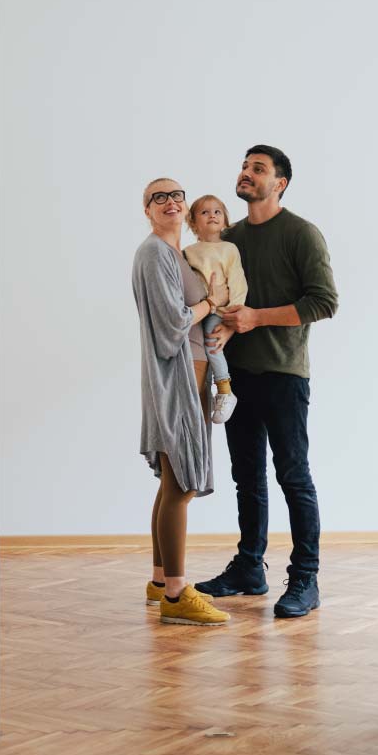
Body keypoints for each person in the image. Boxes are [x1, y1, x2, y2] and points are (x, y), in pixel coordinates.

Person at [195, 145, 339, 619]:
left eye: (258, 169)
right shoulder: (229, 238)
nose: (246, 173)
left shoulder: (301, 234)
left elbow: (323, 302)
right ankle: (249, 569)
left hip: (283, 375)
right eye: (243, 166)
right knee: (247, 479)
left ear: (280, 183)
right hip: (236, 379)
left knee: (293, 477)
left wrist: (257, 318)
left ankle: (305, 579)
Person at [132, 177, 231, 626]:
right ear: (146, 209)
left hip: (190, 381)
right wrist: (212, 302)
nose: (170, 202)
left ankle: (158, 582)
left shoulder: (177, 255)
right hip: (176, 382)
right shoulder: (154, 253)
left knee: (172, 484)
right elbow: (172, 325)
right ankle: (176, 594)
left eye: (176, 195)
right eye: (159, 197)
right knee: (181, 486)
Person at [182, 194, 248, 424]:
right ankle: (207, 388)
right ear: (192, 222)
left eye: (217, 211)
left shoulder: (229, 249)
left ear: (225, 219)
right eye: (205, 212)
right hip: (196, 311)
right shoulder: (188, 251)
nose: (212, 215)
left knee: (212, 343)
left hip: (219, 311)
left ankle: (224, 389)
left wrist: (233, 312)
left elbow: (238, 281)